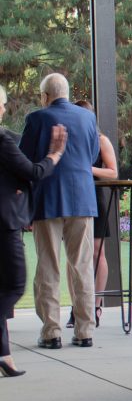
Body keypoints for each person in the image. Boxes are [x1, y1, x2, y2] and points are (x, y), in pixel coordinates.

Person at [19, 73, 99, 349]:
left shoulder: (36, 119)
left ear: (45, 96)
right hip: (82, 199)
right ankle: (85, 331)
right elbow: (91, 155)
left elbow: (25, 161)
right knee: (82, 265)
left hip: (48, 198)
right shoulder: (88, 118)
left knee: (48, 265)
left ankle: (51, 332)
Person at [0, 85, 67, 376]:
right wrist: (55, 154)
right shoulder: (2, 139)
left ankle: (4, 356)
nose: (4, 109)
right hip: (5, 223)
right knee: (15, 285)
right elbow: (33, 172)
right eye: (2, 104)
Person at [66, 100, 119, 329]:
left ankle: (96, 305)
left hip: (94, 198)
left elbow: (113, 172)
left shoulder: (101, 140)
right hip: (72, 197)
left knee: (97, 252)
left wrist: (87, 169)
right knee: (73, 255)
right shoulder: (69, 141)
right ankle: (76, 306)